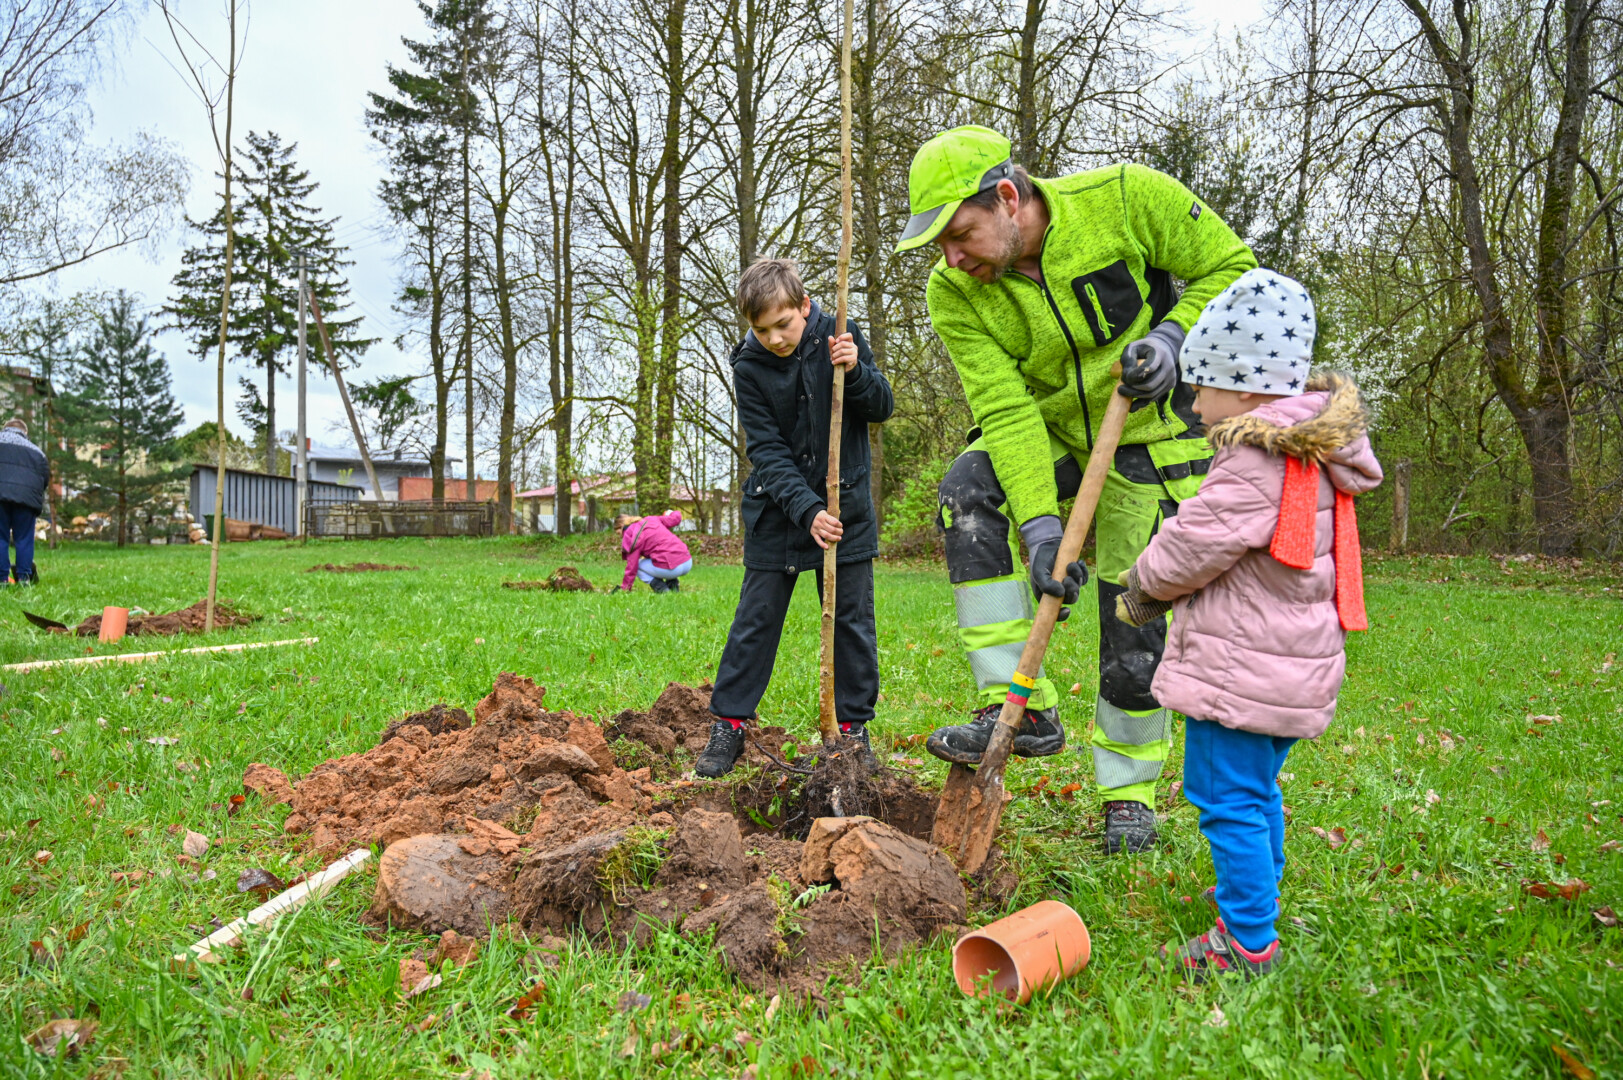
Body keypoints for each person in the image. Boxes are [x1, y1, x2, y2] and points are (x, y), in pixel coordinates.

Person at [894, 125, 1257, 853]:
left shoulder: (1124, 199)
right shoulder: (954, 291)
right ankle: (1016, 705)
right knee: (967, 494)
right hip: (1054, 432)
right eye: (939, 245)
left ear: (1007, 197)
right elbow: (1005, 410)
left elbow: (1233, 267)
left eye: (959, 235)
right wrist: (1039, 526)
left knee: (1133, 616)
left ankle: (1128, 795)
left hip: (1154, 432)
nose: (952, 258)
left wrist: (1175, 337)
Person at [1113, 268, 1382, 978]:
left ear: (1244, 389)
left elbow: (1192, 543)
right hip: (1289, 665)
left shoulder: (1254, 458)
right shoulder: (1310, 451)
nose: (1194, 405)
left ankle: (1246, 940)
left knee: (1224, 796)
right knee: (1257, 791)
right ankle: (1254, 893)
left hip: (1240, 674)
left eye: (1200, 388)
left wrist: (1140, 587)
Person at [695, 257, 894, 779]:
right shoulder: (749, 367)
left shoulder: (842, 335)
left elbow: (881, 408)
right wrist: (808, 511)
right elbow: (767, 451)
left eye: (783, 324)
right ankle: (730, 724)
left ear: (805, 306)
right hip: (778, 512)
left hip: (845, 509)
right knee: (755, 620)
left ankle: (852, 732)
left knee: (852, 622)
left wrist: (856, 371)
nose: (775, 339)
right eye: (762, 330)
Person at [0, 418, 48, 585]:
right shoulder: (37, 451)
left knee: (0, 537)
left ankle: (2, 579)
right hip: (26, 500)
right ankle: (24, 578)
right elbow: (44, 478)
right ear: (25, 432)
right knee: (24, 539)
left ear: (5, 429)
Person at [616, 510, 693, 593]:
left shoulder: (630, 536)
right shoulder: (651, 519)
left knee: (638, 565)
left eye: (619, 533)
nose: (621, 537)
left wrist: (625, 588)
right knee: (664, 555)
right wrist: (671, 512)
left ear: (621, 526)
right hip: (687, 561)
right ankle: (673, 587)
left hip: (673, 569)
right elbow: (675, 519)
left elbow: (632, 566)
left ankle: (663, 590)